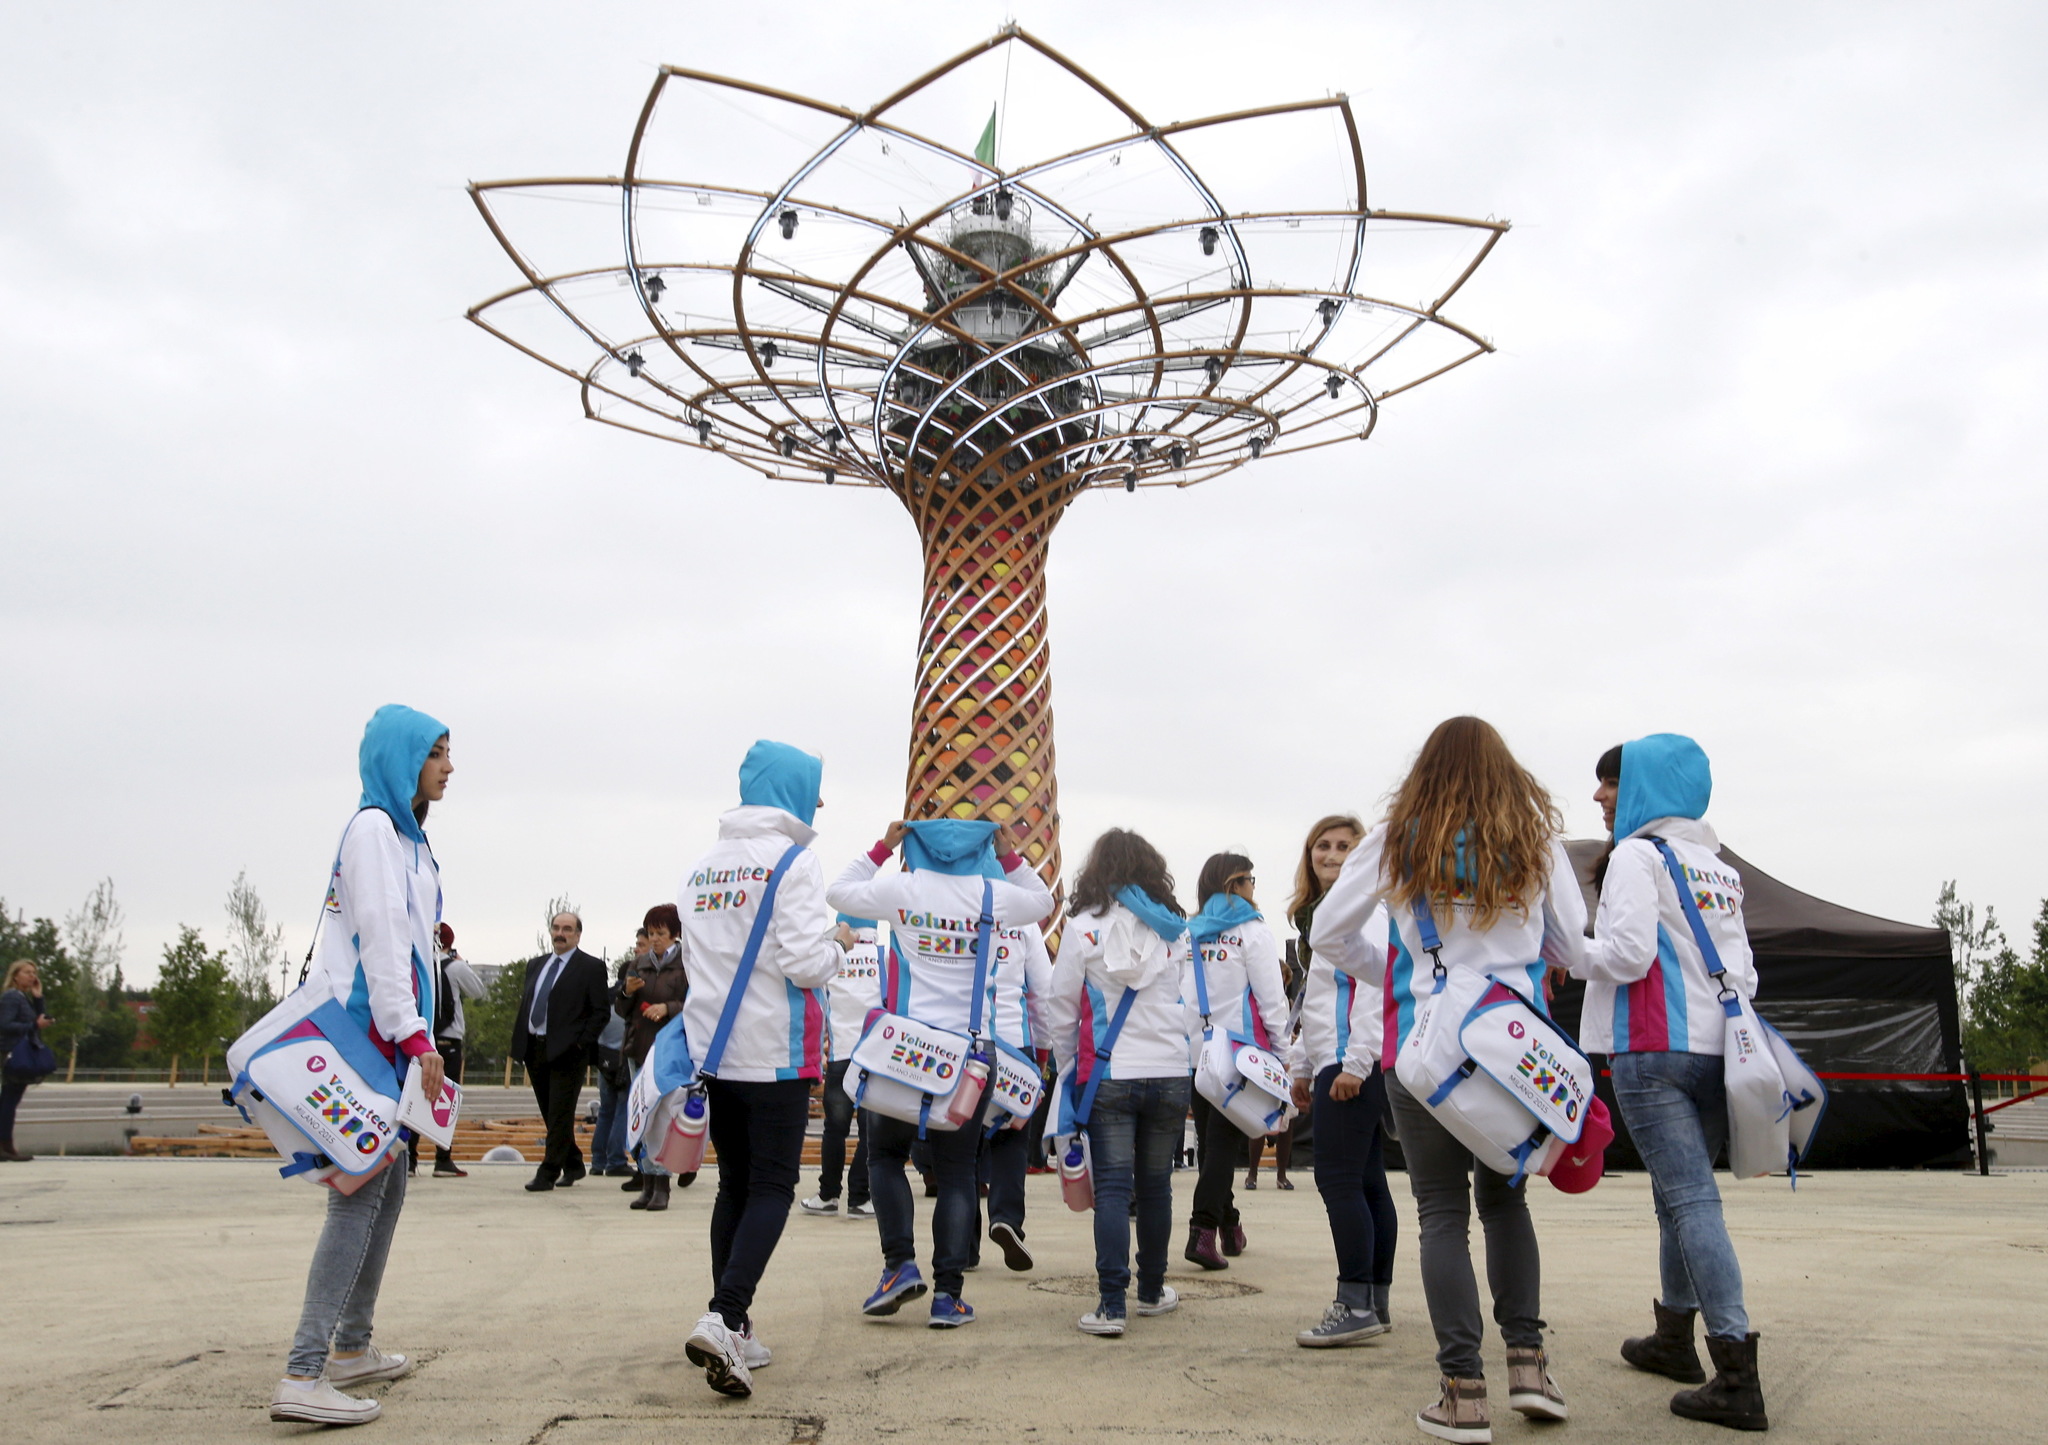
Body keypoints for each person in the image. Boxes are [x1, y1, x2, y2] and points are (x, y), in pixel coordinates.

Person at [1312, 716, 1586, 1444]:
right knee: (1506, 1203)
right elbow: (1572, 941)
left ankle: (1463, 1395)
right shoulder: (1533, 838)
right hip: (1514, 1048)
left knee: (1441, 1212)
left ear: (1424, 769)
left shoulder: (1399, 835)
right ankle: (1528, 1366)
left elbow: (1328, 933)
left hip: (1423, 1047)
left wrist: (1401, 972)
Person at [1573, 736, 1769, 1432]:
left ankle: (1736, 1370)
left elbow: (1626, 954)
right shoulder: (1717, 865)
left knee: (1689, 1201)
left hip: (1651, 1048)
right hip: (1725, 1052)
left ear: (1648, 789)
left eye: (1612, 784)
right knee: (1678, 1199)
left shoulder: (1635, 855)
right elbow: (1742, 971)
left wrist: (1565, 948)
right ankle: (1673, 1338)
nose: (1599, 796)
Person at [269, 704, 452, 1427]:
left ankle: (352, 1344)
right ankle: (305, 1369)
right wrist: (413, 1036)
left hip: (386, 1033)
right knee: (357, 1193)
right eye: (436, 751)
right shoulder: (375, 829)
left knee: (390, 1179)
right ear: (401, 759)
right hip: (370, 1034)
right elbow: (382, 941)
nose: (447, 765)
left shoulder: (407, 838)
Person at [827, 818, 1055, 1327]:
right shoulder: (993, 895)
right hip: (972, 1056)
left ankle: (898, 1265)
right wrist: (1010, 854)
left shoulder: (903, 889)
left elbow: (838, 891)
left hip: (905, 1051)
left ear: (918, 845)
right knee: (957, 1173)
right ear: (981, 848)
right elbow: (1043, 902)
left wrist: (882, 846)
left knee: (884, 1156)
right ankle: (948, 1297)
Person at [676, 740, 846, 1398]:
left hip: (714, 1050)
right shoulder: (795, 860)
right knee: (775, 1186)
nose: (820, 800)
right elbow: (804, 962)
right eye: (814, 786)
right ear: (790, 791)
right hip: (774, 1050)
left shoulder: (704, 866)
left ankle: (736, 1324)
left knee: (735, 1187)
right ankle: (723, 1316)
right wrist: (840, 942)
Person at [1045, 828, 1195, 1337]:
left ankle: (1111, 1306)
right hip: (1171, 1071)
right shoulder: (1177, 932)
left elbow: (1060, 1007)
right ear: (1154, 872)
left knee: (1111, 1189)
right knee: (1156, 1188)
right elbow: (1194, 1010)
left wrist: (1070, 1067)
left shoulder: (1083, 928)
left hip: (1110, 1073)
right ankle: (1152, 1292)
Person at [1287, 813, 1401, 1345]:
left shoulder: (1368, 906)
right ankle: (1373, 1299)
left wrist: (1356, 1063)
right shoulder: (1324, 914)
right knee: (1367, 1179)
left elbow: (1377, 982)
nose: (1331, 854)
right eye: (1321, 846)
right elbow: (1318, 997)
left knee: (1337, 1179)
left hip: (1356, 1061)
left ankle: (1355, 1300)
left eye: (1343, 845)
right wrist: (1304, 1064)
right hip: (1336, 1059)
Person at [1184, 853, 1288, 1270]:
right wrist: (1282, 1055)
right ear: (1234, 884)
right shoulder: (1252, 931)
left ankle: (1230, 1226)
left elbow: (1181, 996)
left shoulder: (1188, 934)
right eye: (1249, 879)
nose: (1253, 888)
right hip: (1240, 1055)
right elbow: (1271, 998)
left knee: (1213, 1147)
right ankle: (1203, 1230)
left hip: (1197, 1051)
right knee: (1222, 1149)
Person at [509, 911, 610, 1193]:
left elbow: (600, 1012)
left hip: (569, 1052)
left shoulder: (590, 967)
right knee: (550, 1112)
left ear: (578, 934)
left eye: (567, 929)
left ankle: (549, 1171)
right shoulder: (536, 965)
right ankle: (574, 1162)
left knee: (560, 1114)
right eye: (556, 928)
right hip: (535, 1047)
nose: (560, 933)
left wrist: (580, 1043)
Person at [981, 917, 1054, 1270]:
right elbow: (1042, 992)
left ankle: (961, 1242)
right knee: (1011, 1138)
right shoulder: (1023, 920)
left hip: (965, 1040)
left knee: (959, 1145)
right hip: (1014, 1043)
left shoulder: (949, 902)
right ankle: (1006, 1216)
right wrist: (1042, 1054)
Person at [800, 913, 882, 1220]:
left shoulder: (831, 959)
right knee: (870, 1130)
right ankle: (861, 1197)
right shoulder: (884, 958)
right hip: (875, 1056)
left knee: (834, 1128)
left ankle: (828, 1195)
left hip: (839, 1054)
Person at [617, 904, 692, 1210]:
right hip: (640, 1046)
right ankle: (647, 1181)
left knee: (663, 1116)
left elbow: (698, 1003)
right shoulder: (638, 963)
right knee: (643, 1116)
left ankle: (662, 1184)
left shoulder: (689, 964)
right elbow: (622, 1011)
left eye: (661, 933)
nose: (655, 939)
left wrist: (670, 1008)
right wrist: (626, 992)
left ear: (676, 934)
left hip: (670, 1050)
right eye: (651, 933)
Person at [407, 922, 483, 1178]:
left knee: (415, 1097)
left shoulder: (416, 965)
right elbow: (478, 991)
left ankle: (409, 1159)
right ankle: (443, 1159)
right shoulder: (455, 967)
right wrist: (459, 960)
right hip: (449, 1042)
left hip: (420, 1040)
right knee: (446, 1099)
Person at [591, 931, 638, 1182]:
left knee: (605, 1111)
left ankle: (598, 1161)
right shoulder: (630, 998)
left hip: (602, 1059)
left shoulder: (604, 996)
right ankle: (616, 1160)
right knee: (623, 1110)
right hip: (624, 1059)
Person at [1, 958, 55, 1162]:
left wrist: (38, 996)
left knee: (9, 1099)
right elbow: (4, 1025)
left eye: (34, 972)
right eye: (27, 972)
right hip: (12, 1052)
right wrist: (34, 1026)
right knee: (9, 1099)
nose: (32, 976)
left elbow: (37, 1018)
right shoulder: (11, 997)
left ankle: (6, 1145)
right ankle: (4, 1145)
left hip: (18, 1051)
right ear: (15, 975)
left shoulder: (21, 997)